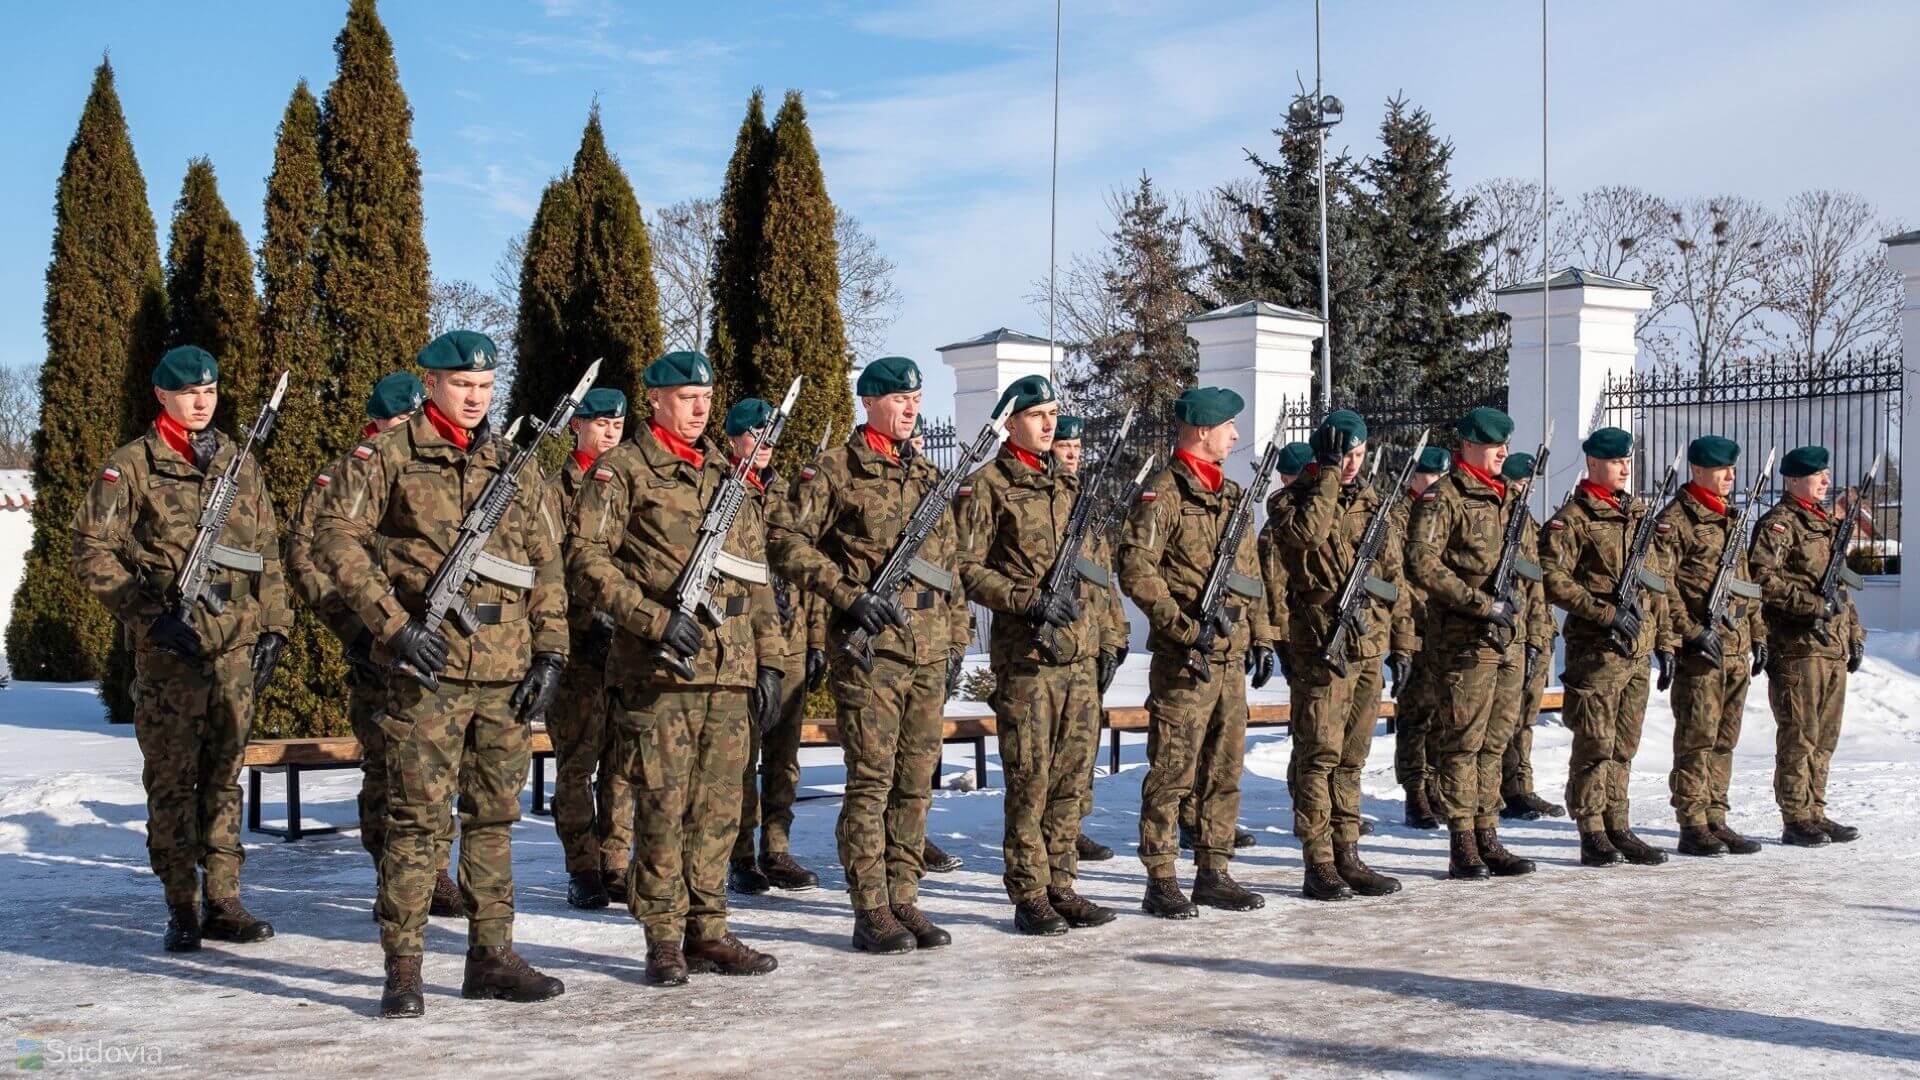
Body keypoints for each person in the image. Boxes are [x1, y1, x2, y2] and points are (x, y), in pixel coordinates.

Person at [312, 330, 566, 1018]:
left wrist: (551, 652)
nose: (475, 397)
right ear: (430, 384)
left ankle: (491, 956)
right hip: (427, 672)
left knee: (493, 819)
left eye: (485, 387)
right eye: (462, 386)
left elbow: (545, 566)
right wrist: (390, 623)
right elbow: (334, 535)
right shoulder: (387, 456)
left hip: (504, 672)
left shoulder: (515, 465)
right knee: (419, 822)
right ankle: (405, 968)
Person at [567, 352, 783, 985]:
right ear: (656, 399)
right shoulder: (621, 472)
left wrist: (768, 659)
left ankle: (708, 929)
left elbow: (755, 575)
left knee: (718, 808)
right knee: (662, 806)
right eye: (687, 395)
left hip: (730, 669)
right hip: (660, 671)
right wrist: (651, 618)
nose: (700, 407)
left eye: (707, 395)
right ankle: (664, 937)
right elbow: (585, 561)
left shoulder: (727, 471)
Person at [73, 345, 287, 953]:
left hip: (234, 651)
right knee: (172, 782)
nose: (201, 401)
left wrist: (275, 627)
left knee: (224, 778)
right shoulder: (132, 466)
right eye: (189, 392)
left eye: (210, 391)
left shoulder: (241, 465)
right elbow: (91, 551)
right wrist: (148, 617)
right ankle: (181, 905)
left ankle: (224, 899)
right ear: (161, 396)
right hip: (171, 655)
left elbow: (267, 552)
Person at [768, 356, 970, 955]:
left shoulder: (929, 476)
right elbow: (784, 539)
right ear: (870, 402)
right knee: (873, 781)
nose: (911, 407)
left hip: (927, 653)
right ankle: (870, 907)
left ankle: (904, 894)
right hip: (871, 654)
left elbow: (950, 572)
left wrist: (956, 641)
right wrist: (847, 595)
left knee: (915, 782)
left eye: (916, 397)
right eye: (899, 398)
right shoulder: (834, 471)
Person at [288, 372, 467, 918]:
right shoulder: (344, 477)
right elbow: (307, 561)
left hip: (434, 645)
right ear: (379, 420)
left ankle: (433, 872)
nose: (411, 427)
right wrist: (363, 626)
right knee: (387, 768)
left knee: (440, 768)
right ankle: (390, 875)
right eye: (401, 418)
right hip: (376, 648)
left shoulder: (433, 473)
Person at [955, 380, 1118, 934]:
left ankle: (1062, 882)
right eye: (1037, 415)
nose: (1049, 425)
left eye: (1053, 414)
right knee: (1030, 778)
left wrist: (1106, 639)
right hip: (1027, 657)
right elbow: (966, 568)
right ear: (1012, 421)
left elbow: (1094, 573)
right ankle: (1029, 893)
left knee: (1072, 777)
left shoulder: (1065, 487)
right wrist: (1026, 600)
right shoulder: (990, 486)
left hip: (1077, 656)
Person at [1118, 386, 1275, 918]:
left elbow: (1249, 578)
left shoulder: (1232, 496)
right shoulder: (1162, 494)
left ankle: (1213, 869)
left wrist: (1259, 635)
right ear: (1202, 430)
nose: (1234, 435)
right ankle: (1161, 877)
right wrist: (1182, 626)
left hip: (1228, 657)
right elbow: (1137, 568)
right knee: (1172, 771)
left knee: (1224, 769)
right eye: (1228, 425)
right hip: (1186, 658)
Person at [1267, 411, 1402, 900]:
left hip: (1368, 645)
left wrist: (1396, 637)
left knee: (1352, 757)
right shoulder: (1290, 501)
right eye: (1343, 455)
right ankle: (1318, 860)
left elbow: (1394, 576)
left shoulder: (1371, 503)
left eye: (1358, 455)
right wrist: (1323, 476)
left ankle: (1348, 851)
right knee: (1318, 755)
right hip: (1321, 644)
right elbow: (1306, 536)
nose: (1351, 465)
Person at [1406, 407, 1541, 880]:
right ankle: (1462, 841)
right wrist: (1481, 604)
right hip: (1467, 640)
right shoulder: (1444, 498)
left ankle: (1488, 834)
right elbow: (1421, 563)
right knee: (1463, 742)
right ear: (1467, 445)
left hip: (1508, 640)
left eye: (1505, 442)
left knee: (1496, 741)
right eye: (1492, 443)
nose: (1503, 451)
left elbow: (1528, 566)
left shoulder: (1507, 499)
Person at [1539, 426, 1677, 868]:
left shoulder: (1636, 517)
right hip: (1598, 651)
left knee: (1624, 744)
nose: (1624, 468)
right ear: (1593, 464)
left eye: (1627, 461)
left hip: (1636, 648)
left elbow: (1658, 583)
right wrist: (1602, 611)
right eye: (1616, 462)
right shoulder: (1572, 519)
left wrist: (1666, 640)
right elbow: (1551, 578)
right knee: (1594, 742)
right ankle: (1591, 829)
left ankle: (1618, 822)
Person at [729, 397, 824, 895]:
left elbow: (810, 565)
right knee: (743, 754)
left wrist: (816, 639)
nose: (762, 445)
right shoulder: (724, 493)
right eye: (752, 435)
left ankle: (778, 847)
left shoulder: (786, 494)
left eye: (768, 437)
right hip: (744, 643)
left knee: (784, 754)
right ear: (733, 439)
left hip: (791, 637)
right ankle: (742, 853)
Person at [1750, 445, 1866, 847]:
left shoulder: (1826, 525)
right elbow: (1762, 579)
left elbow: (1841, 587)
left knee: (1825, 736)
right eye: (1818, 475)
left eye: (1826, 474)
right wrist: (1812, 605)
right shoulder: (1780, 524)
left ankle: (1815, 810)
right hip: (1797, 646)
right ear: (1794, 479)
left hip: (1831, 645)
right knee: (1799, 734)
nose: (1825, 482)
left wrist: (1854, 633)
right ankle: (1795, 816)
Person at [1656, 436, 1767, 856]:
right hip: (1701, 648)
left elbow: (1745, 583)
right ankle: (1692, 821)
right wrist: (1689, 632)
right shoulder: (1677, 520)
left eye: (1732, 469)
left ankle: (1716, 814)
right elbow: (1664, 587)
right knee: (1697, 737)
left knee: (1726, 737)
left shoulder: (1732, 518)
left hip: (1735, 647)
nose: (1730, 476)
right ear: (1698, 470)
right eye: (1722, 469)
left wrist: (1758, 634)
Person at [549, 387, 635, 909]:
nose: (609, 433)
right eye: (599, 423)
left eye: (617, 425)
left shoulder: (628, 482)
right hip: (577, 644)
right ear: (576, 426)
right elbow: (548, 568)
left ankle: (616, 860)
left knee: (622, 760)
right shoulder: (552, 490)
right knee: (578, 763)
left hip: (624, 641)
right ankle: (582, 867)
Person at [1050, 414, 1131, 864]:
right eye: (1065, 446)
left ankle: (1072, 825)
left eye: (1078, 447)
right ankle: (1049, 833)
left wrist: (1115, 638)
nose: (1073, 453)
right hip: (1055, 644)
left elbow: (1102, 581)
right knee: (1051, 753)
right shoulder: (1047, 504)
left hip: (1089, 641)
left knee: (1083, 745)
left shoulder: (1085, 502)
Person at [1494, 452, 1564, 822]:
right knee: (1501, 719)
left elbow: (1540, 581)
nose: (1524, 490)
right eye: (1519, 484)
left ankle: (1519, 784)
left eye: (1527, 486)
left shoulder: (1527, 523)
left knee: (1525, 717)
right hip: (1507, 632)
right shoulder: (1502, 521)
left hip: (1535, 630)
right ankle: (1497, 791)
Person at [1389, 445, 1450, 828]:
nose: (1437, 483)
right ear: (1414, 476)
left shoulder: (1445, 511)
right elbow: (1396, 574)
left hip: (1445, 624)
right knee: (1415, 714)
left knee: (1444, 712)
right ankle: (1415, 791)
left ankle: (1437, 787)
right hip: (1412, 625)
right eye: (1431, 475)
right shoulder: (1396, 517)